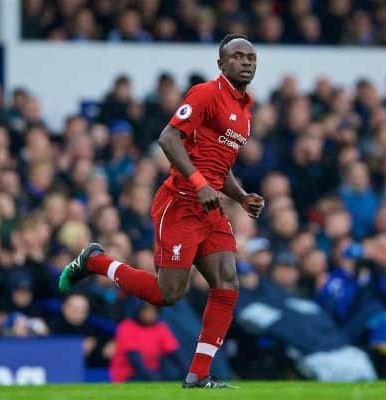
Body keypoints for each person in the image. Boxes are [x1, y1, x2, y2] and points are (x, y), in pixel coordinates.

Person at [58, 34, 264, 389]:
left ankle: (198, 374)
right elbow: (168, 138)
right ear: (221, 64)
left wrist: (242, 196)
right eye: (238, 56)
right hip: (181, 203)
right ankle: (96, 262)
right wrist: (199, 184)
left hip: (210, 208)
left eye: (251, 57)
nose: (246, 62)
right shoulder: (205, 93)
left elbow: (220, 165)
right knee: (167, 294)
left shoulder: (246, 110)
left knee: (227, 281)